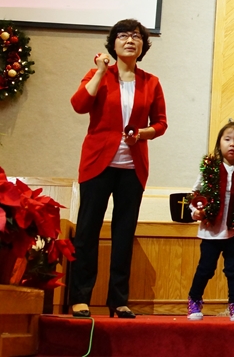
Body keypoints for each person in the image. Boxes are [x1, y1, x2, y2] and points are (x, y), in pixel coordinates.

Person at [69, 19, 167, 319]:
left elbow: (160, 123)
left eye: (136, 36)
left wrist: (141, 133)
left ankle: (119, 300)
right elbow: (79, 105)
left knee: (124, 235)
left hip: (132, 168)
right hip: (97, 164)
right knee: (87, 232)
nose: (130, 40)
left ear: (142, 46)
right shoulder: (98, 75)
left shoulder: (151, 82)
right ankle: (80, 298)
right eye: (123, 35)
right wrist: (100, 71)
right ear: (113, 44)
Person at [186, 121, 234, 321]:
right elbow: (195, 195)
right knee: (205, 268)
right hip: (211, 231)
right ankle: (194, 300)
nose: (232, 144)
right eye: (227, 139)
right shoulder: (209, 169)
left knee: (233, 270)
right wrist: (196, 211)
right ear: (219, 143)